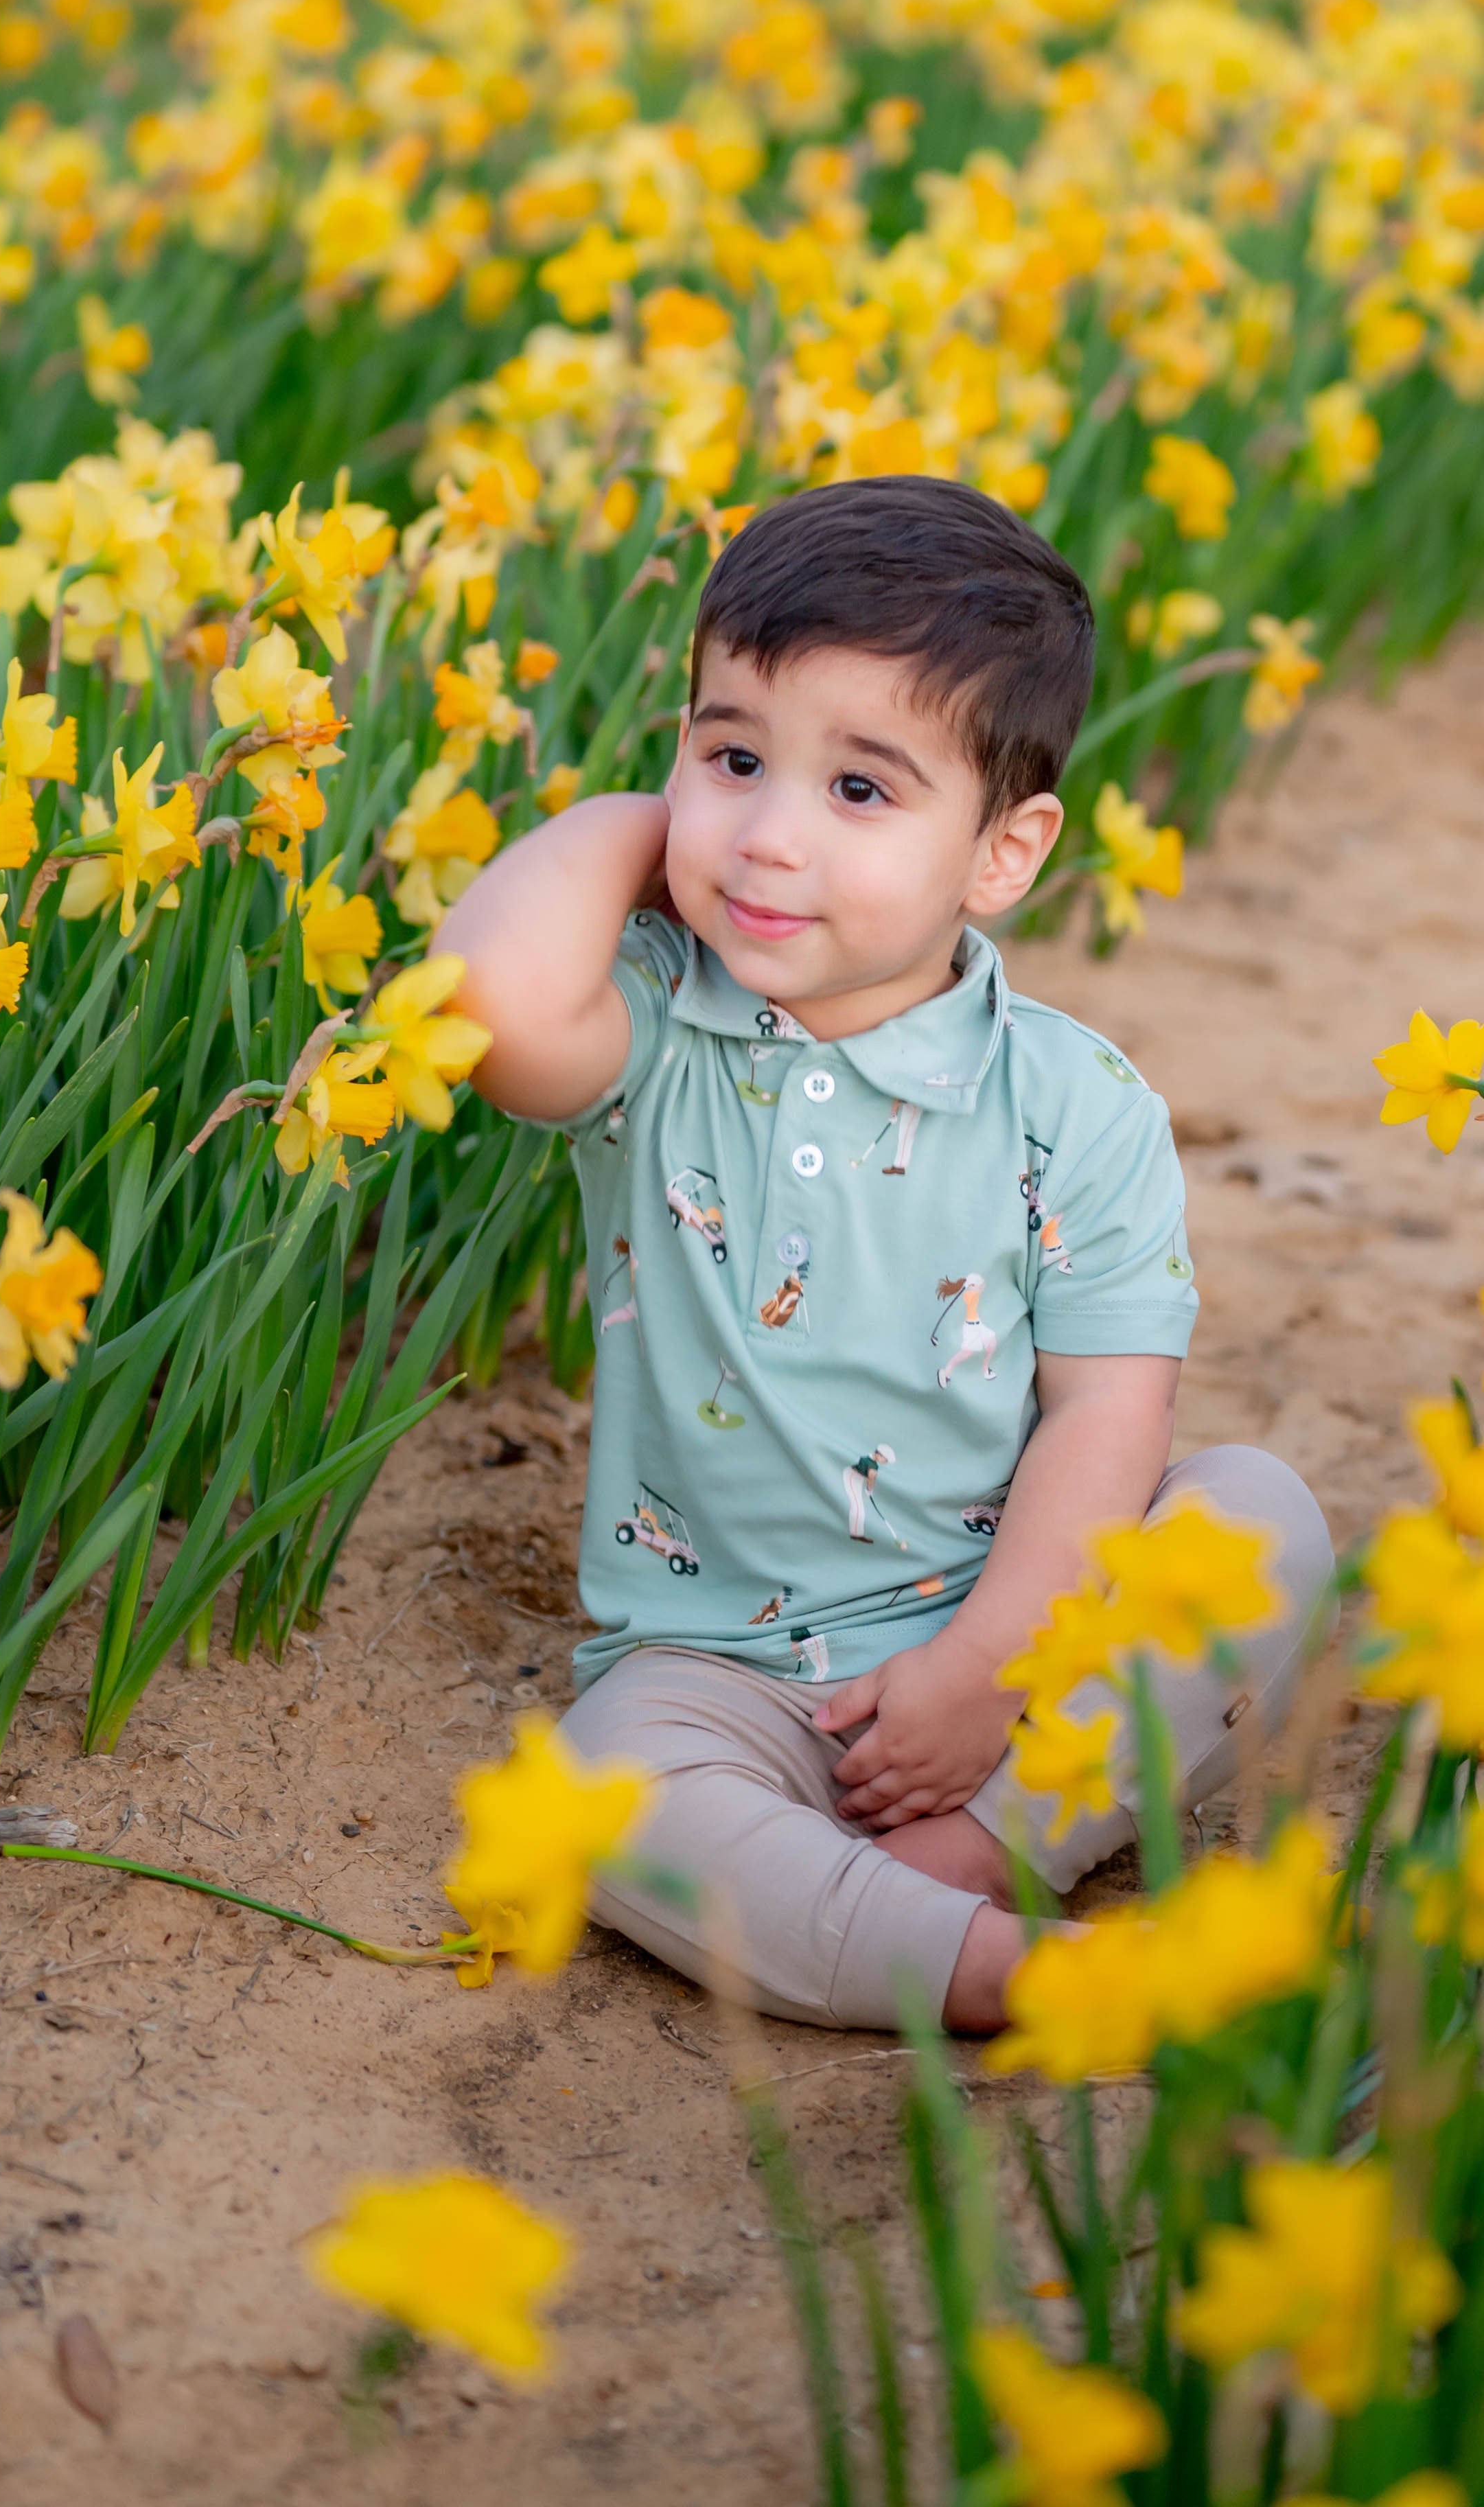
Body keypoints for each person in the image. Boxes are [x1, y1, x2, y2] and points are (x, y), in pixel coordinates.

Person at [433, 475, 1330, 2033]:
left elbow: (1108, 1417)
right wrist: (634, 827)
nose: (768, 834)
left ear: (1001, 850)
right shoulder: (655, 1023)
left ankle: (975, 1852)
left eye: (859, 790)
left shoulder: (1073, 1101)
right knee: (598, 1781)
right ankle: (998, 1965)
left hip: (1007, 1629)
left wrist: (989, 1666)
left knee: (1259, 1521)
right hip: (711, 1669)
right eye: (730, 755)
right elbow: (486, 1011)